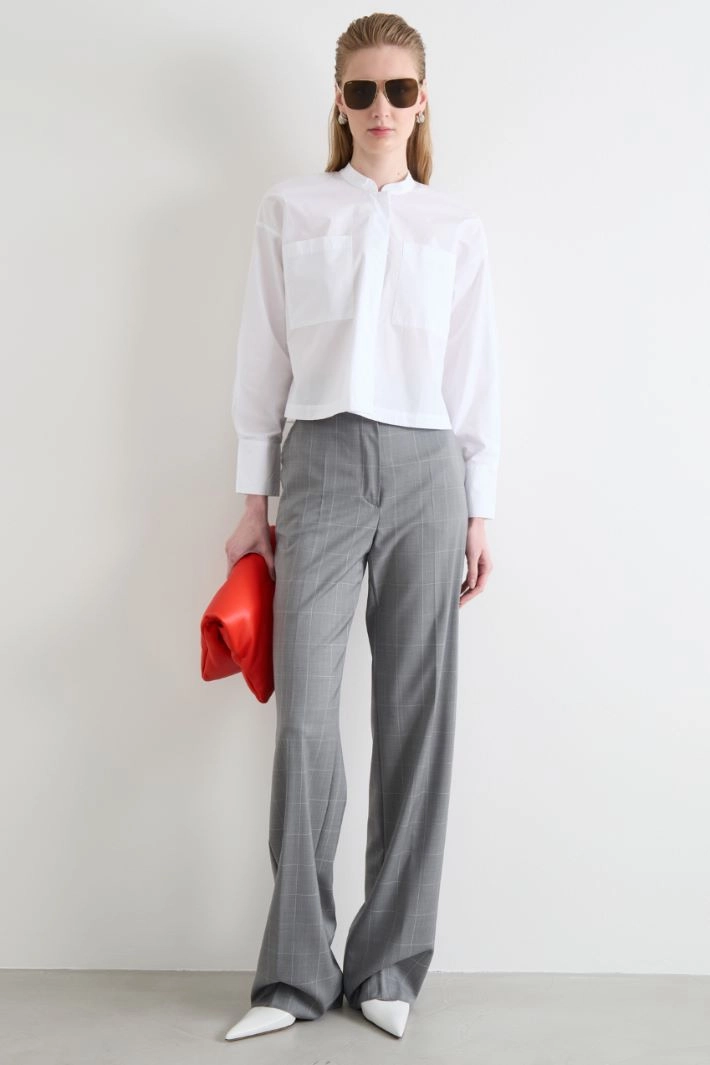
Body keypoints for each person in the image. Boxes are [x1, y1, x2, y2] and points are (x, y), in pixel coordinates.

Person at [223, 12, 501, 1042]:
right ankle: (292, 976)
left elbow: (474, 374)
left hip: (429, 469)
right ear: (338, 104)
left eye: (398, 90)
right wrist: (252, 501)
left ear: (422, 103)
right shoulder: (291, 208)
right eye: (361, 91)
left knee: (415, 719)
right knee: (305, 720)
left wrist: (479, 505)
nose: (380, 107)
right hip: (321, 463)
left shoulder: (454, 226)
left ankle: (386, 968)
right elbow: (262, 356)